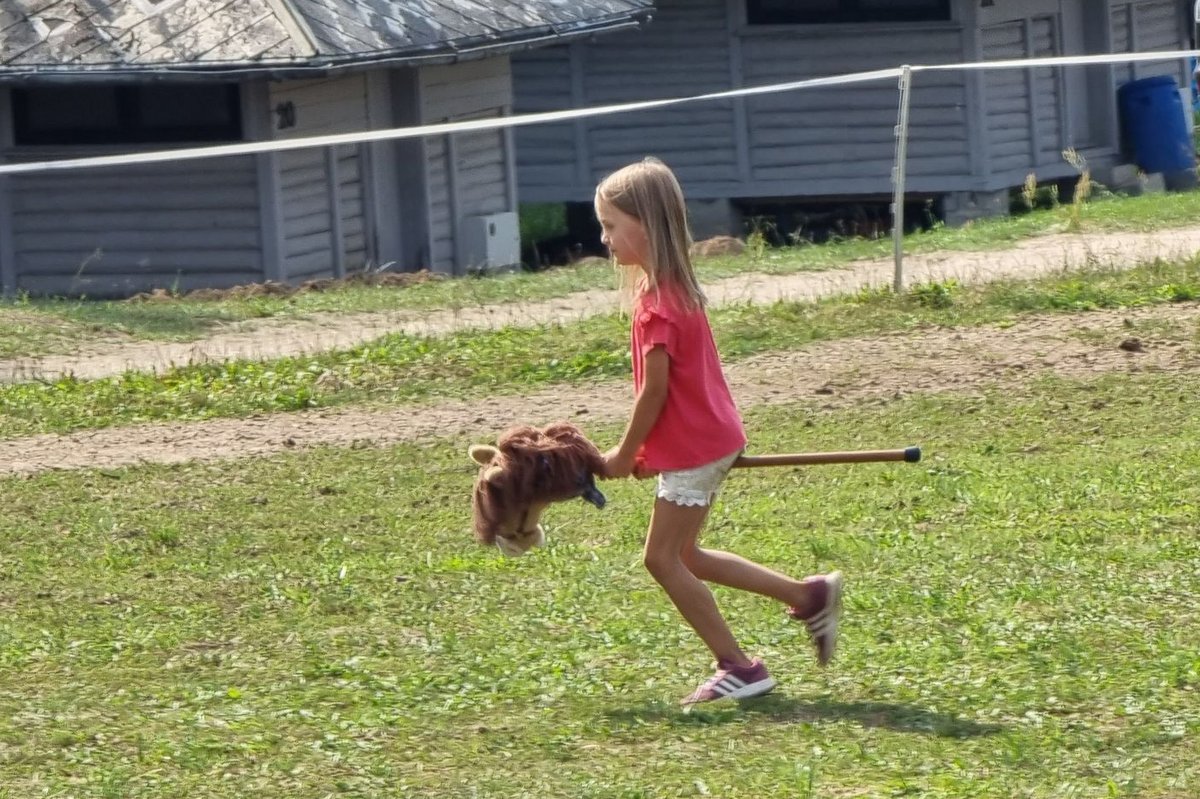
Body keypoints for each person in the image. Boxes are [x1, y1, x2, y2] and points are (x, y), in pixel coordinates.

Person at [594, 157, 842, 707]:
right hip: (706, 440)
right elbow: (678, 393)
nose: (604, 238)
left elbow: (654, 393)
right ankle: (809, 594)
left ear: (645, 225)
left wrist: (625, 452)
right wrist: (650, 452)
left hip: (696, 448)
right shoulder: (675, 293)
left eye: (612, 225)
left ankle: (739, 667)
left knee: (661, 559)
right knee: (688, 555)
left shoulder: (656, 307)